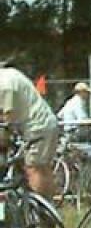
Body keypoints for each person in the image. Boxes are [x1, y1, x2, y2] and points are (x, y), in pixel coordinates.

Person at [0, 61, 60, 199]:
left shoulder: (5, 85)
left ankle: (39, 209)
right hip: (36, 125)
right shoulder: (8, 76)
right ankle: (42, 206)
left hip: (38, 126)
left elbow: (6, 119)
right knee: (39, 168)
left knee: (34, 167)